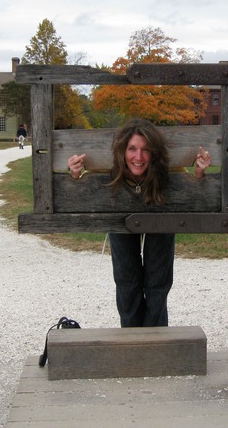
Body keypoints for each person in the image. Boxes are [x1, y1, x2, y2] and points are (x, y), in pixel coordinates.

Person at [67, 118, 211, 327]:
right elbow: (83, 188)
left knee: (158, 282)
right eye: (132, 149)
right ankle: (131, 337)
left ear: (154, 152)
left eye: (145, 150)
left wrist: (199, 174)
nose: (138, 157)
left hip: (160, 216)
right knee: (127, 282)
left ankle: (156, 339)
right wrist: (74, 175)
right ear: (122, 151)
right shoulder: (103, 170)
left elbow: (189, 190)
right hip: (120, 216)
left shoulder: (172, 171)